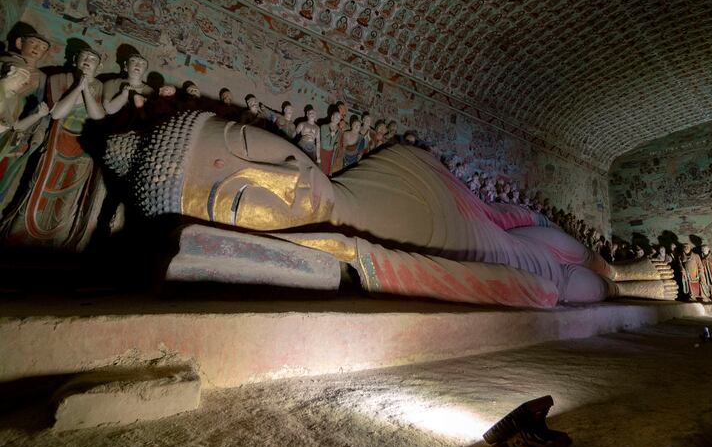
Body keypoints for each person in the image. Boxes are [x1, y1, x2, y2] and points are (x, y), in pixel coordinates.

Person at [105, 112, 678, 308]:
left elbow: (494, 212)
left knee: (581, 256)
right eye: (241, 199)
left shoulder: (402, 160)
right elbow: (526, 291)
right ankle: (623, 282)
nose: (288, 180)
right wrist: (358, 255)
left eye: (257, 147)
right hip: (539, 276)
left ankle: (623, 272)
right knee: (587, 289)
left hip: (533, 238)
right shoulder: (359, 256)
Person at [4, 47, 106, 250]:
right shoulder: (60, 78)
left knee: (69, 196)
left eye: (93, 59)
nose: (87, 60)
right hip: (56, 143)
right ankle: (19, 238)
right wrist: (78, 87)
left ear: (99, 66)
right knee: (40, 189)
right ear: (76, 59)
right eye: (84, 56)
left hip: (83, 149)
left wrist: (87, 89)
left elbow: (98, 117)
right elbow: (58, 112)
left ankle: (56, 242)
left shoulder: (100, 86)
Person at [0, 30, 51, 216]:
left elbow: (42, 108)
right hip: (2, 123)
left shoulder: (43, 77)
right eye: (34, 44)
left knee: (5, 177)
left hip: (19, 134)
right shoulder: (6, 62)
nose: (38, 49)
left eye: (43, 48)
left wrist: (36, 135)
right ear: (20, 42)